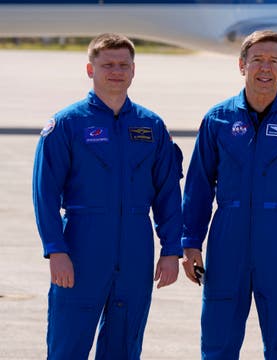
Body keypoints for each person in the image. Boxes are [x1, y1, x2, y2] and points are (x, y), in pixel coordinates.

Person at [181, 30, 277, 359]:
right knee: (217, 342)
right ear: (242, 65)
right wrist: (190, 242)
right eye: (257, 60)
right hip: (227, 243)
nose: (265, 68)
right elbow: (198, 186)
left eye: (273, 61)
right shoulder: (218, 120)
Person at [32, 33, 184, 359]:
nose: (116, 71)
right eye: (107, 65)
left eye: (123, 65)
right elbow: (44, 193)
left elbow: (168, 193)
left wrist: (171, 250)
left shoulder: (152, 126)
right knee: (67, 345)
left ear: (133, 70)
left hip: (136, 249)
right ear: (90, 69)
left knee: (124, 346)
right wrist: (55, 250)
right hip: (82, 247)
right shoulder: (67, 125)